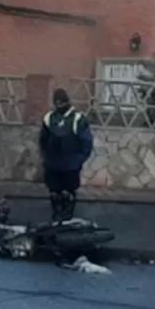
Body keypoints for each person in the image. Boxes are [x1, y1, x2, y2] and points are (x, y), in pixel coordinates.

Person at [38, 88, 94, 222]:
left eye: (61, 102)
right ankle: (57, 219)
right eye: (57, 102)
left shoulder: (77, 118)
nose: (59, 105)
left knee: (68, 194)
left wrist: (79, 160)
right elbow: (42, 140)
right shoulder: (49, 118)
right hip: (53, 165)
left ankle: (67, 219)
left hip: (71, 165)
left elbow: (86, 142)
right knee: (54, 194)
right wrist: (46, 157)